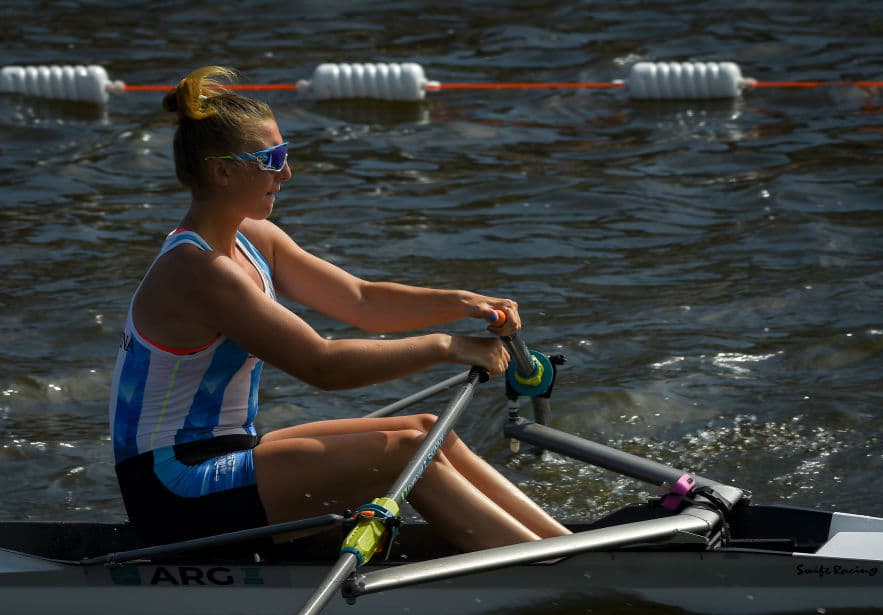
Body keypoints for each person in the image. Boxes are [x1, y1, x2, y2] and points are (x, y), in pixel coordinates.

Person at [109, 65, 570, 551]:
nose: (286, 172)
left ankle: (563, 546)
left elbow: (361, 300)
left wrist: (464, 301)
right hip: (173, 488)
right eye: (273, 158)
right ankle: (554, 575)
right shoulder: (197, 271)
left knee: (426, 430)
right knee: (403, 453)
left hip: (227, 451)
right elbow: (322, 366)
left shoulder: (253, 237)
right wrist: (448, 347)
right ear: (222, 171)